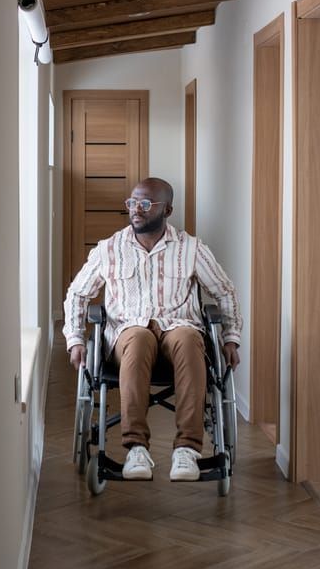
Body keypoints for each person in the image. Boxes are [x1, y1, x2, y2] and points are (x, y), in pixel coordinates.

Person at [63, 177, 242, 482]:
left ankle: (187, 449)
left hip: (180, 326)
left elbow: (224, 291)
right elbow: (78, 294)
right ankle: (135, 448)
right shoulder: (110, 249)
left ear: (167, 209)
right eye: (132, 202)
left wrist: (230, 338)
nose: (136, 209)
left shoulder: (191, 249)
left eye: (145, 204)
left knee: (187, 338)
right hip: (128, 331)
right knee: (139, 338)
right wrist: (76, 338)